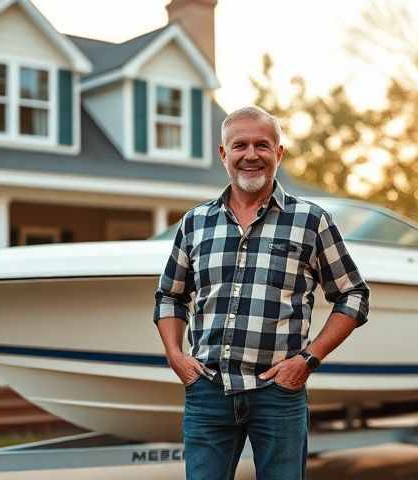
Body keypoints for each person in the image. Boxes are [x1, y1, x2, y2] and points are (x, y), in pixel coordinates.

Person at [153, 106, 370, 480]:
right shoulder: (195, 223)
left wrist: (307, 360)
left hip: (278, 395)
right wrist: (176, 357)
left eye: (262, 145)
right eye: (239, 145)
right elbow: (169, 296)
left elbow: (353, 294)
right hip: (208, 392)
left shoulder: (310, 221)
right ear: (223, 155)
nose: (250, 155)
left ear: (279, 153)